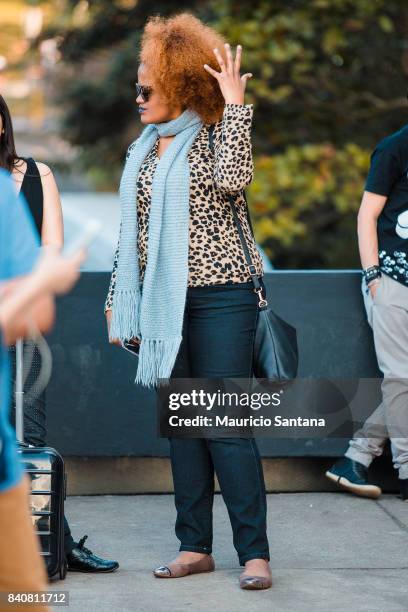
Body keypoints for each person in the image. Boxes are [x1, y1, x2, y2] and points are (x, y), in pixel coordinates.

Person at [105, 13, 272, 590]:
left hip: (223, 299)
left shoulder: (216, 132)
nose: (138, 96)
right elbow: (134, 237)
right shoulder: (144, 150)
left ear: (178, 85)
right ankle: (193, 546)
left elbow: (235, 178)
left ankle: (254, 555)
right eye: (137, 85)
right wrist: (114, 302)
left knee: (224, 424)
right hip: (161, 306)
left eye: (147, 87)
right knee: (183, 427)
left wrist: (235, 104)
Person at [0, 95, 119, 572]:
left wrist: (31, 283)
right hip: (21, 305)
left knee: (30, 438)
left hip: (22, 325)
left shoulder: (35, 175)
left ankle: (53, 544)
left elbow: (51, 248)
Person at [0, 170, 84, 611]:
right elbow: (34, 303)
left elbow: (33, 314)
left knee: (24, 597)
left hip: (6, 476)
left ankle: (55, 540)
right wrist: (34, 283)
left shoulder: (13, 185)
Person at [326, 123, 408, 502]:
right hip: (392, 279)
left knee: (404, 382)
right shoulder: (394, 147)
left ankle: (355, 458)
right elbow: (367, 215)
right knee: (401, 377)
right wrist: (374, 276)